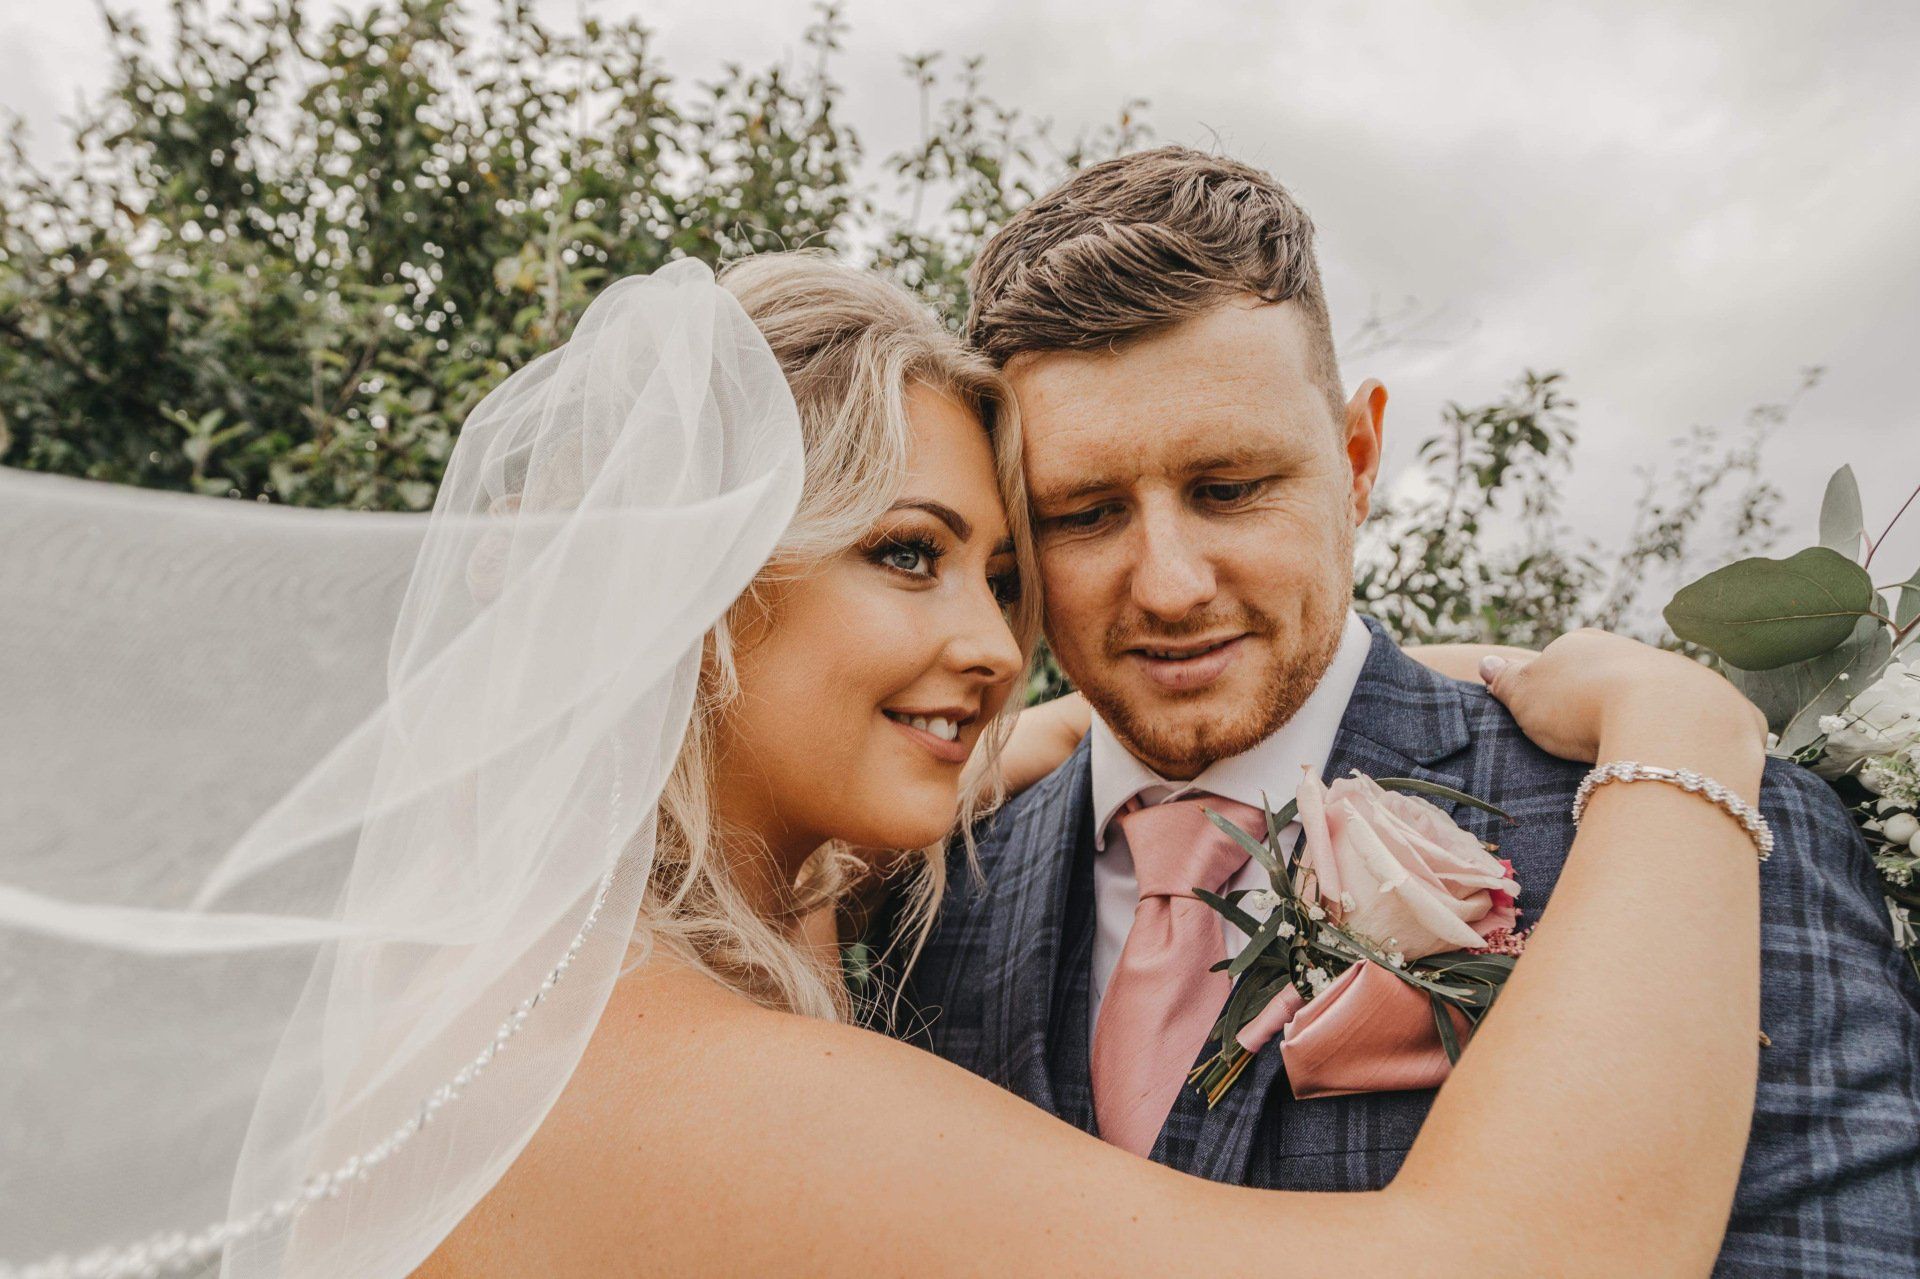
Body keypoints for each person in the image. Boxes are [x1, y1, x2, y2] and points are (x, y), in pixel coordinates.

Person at [0, 251, 1763, 1279]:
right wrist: (1684, 736)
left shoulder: (533, 966)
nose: (996, 644)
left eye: (1002, 574)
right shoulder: (672, 1079)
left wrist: (1076, 733)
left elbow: (903, 784)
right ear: (684, 588)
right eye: (907, 554)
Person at [897, 146, 1920, 1276]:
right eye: (1084, 513)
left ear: (1357, 459)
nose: (1171, 585)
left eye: (1229, 489)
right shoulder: (928, 884)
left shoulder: (1707, 824)